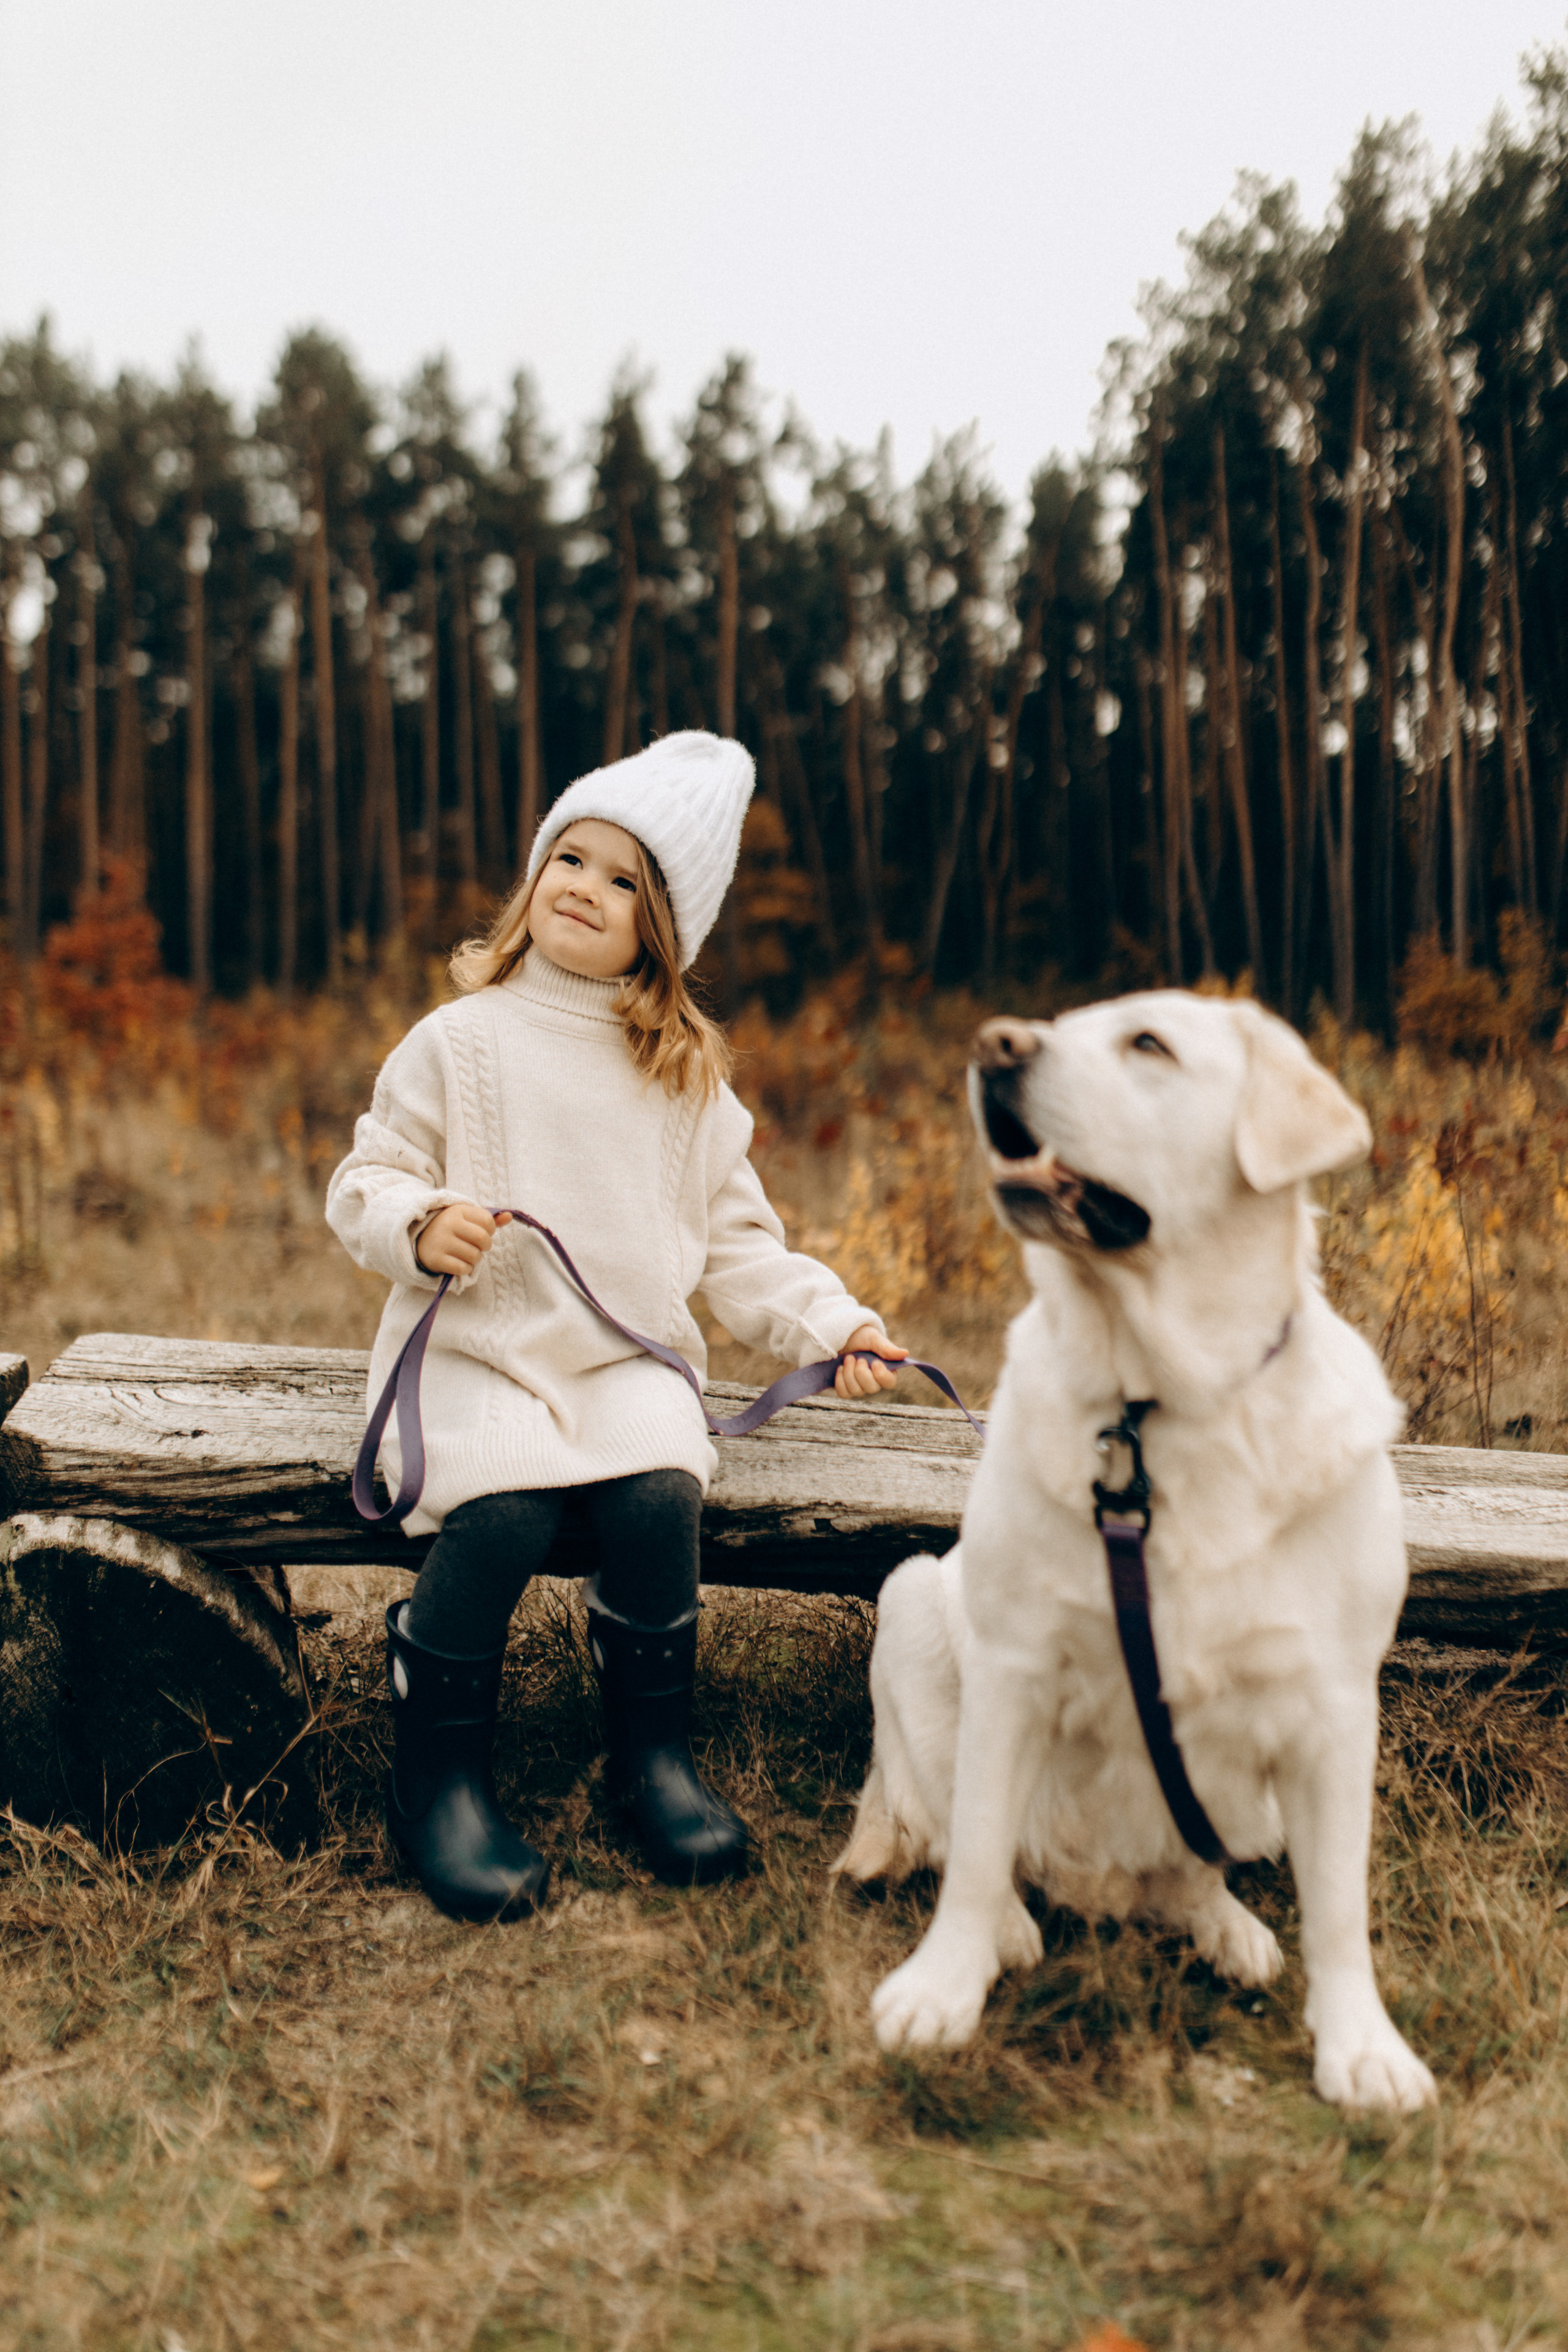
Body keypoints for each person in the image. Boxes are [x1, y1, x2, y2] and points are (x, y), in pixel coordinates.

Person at [326, 731, 906, 1923]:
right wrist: (418, 1223)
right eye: (570, 858)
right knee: (504, 1509)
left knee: (658, 1492)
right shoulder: (460, 1039)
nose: (585, 887)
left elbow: (740, 1248)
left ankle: (648, 1759)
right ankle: (438, 1779)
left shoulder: (682, 1077)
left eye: (624, 879)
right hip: (481, 1356)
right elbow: (365, 1179)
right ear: (535, 874)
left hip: (623, 1360)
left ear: (663, 929)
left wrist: (834, 1325)